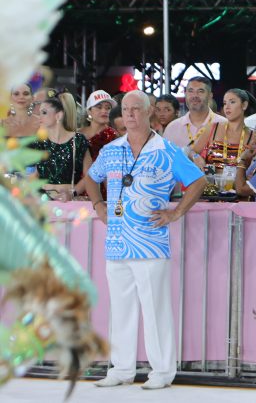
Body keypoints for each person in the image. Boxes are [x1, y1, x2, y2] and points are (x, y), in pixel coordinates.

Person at [84, 91, 205, 390]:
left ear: (149, 111)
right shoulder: (112, 149)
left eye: (136, 109)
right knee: (121, 309)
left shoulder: (167, 149)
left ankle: (162, 371)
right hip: (117, 242)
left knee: (155, 309)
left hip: (150, 243)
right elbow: (91, 176)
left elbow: (198, 180)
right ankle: (121, 368)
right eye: (125, 109)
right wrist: (98, 205)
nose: (130, 114)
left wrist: (176, 213)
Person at [32, 93, 91, 200]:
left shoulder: (78, 140)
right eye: (39, 112)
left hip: (69, 201)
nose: (39, 117)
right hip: (43, 201)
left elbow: (90, 176)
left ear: (58, 116)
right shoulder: (40, 142)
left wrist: (73, 193)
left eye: (44, 113)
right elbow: (35, 174)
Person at [192, 89, 253, 186]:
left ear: (244, 105)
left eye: (232, 102)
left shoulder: (253, 136)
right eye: (225, 103)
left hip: (237, 194)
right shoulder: (212, 128)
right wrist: (196, 157)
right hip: (211, 192)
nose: (227, 107)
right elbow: (191, 152)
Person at [162, 76, 227, 151]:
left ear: (210, 96)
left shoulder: (224, 124)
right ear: (185, 94)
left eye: (200, 91)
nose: (195, 95)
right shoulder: (172, 128)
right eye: (191, 91)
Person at [81, 90, 120, 158]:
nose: (104, 111)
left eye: (108, 108)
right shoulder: (77, 135)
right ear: (89, 111)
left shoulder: (116, 137)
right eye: (99, 107)